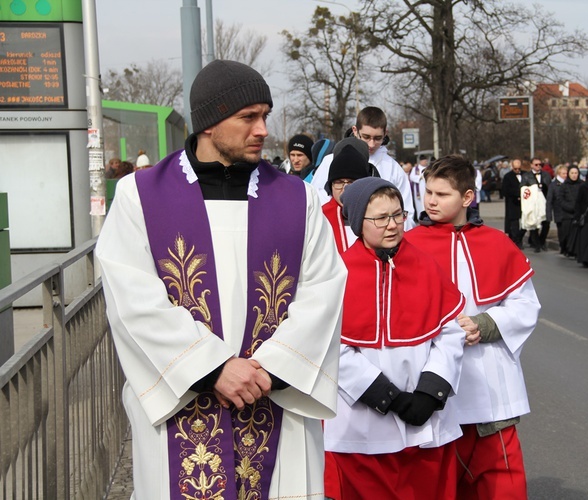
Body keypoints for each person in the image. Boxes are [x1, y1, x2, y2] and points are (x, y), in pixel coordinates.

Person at [96, 60, 347, 499]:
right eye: (248, 117)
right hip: (184, 403)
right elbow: (132, 298)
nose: (263, 129)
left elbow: (324, 290)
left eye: (265, 115)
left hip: (275, 403)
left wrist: (268, 370)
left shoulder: (298, 198)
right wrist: (212, 367)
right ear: (210, 123)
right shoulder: (141, 196)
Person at [405, 155, 540, 499]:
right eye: (427, 192)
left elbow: (526, 305)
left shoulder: (496, 242)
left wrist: (485, 324)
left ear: (467, 197)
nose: (431, 201)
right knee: (440, 484)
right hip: (432, 380)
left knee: (501, 483)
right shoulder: (408, 245)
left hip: (489, 384)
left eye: (442, 194)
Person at [324, 177, 465, 500]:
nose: (392, 225)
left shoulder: (426, 265)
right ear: (359, 223)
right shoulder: (338, 273)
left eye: (398, 215)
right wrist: (386, 396)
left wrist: (431, 391)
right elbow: (332, 346)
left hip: (426, 422)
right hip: (363, 423)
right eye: (381, 218)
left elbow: (451, 331)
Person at [310, 108, 415, 228]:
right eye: (366, 137)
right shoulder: (331, 161)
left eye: (377, 138)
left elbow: (406, 214)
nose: (371, 144)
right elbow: (316, 199)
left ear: (385, 133)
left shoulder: (393, 169)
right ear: (355, 130)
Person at [321, 143, 372, 254]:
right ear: (331, 186)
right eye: (339, 182)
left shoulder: (376, 214)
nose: (345, 189)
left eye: (351, 182)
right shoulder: (320, 217)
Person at [522, 158, 552, 252]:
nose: (538, 166)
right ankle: (537, 244)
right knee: (534, 223)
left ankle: (542, 241)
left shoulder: (546, 175)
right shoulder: (526, 176)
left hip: (544, 201)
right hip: (533, 203)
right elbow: (523, 188)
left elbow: (550, 187)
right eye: (536, 164)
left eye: (540, 164)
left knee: (546, 223)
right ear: (531, 165)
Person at [559, 165, 583, 258]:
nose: (574, 175)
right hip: (567, 214)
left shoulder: (582, 184)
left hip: (579, 214)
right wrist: (569, 207)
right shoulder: (564, 185)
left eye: (576, 173)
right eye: (572, 173)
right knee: (567, 234)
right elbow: (561, 199)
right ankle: (567, 249)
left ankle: (577, 251)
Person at [502, 158, 525, 249]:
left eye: (519, 168)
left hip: (524, 203)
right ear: (512, 167)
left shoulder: (525, 175)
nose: (517, 170)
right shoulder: (508, 176)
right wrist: (516, 195)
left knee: (525, 222)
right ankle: (516, 240)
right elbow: (505, 190)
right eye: (515, 169)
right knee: (514, 223)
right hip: (512, 203)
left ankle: (519, 237)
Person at [546, 164, 568, 255]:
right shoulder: (553, 185)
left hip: (568, 211)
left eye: (566, 173)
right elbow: (549, 200)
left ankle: (568, 248)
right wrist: (549, 215)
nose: (565, 175)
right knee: (562, 232)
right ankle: (563, 247)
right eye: (563, 173)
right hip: (559, 212)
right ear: (558, 173)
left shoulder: (568, 184)